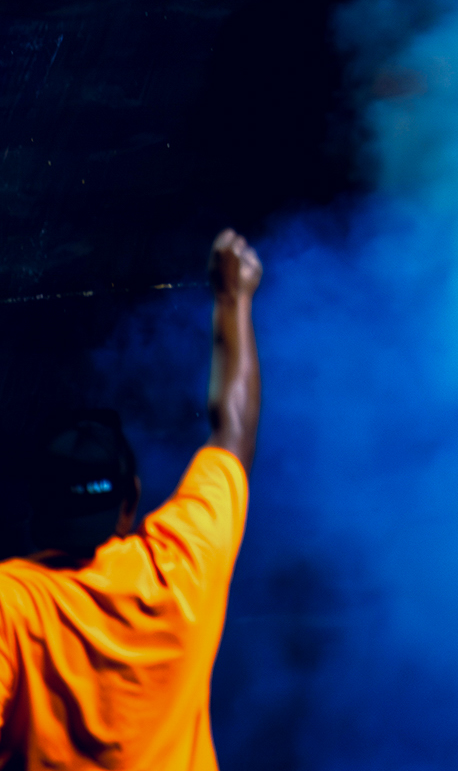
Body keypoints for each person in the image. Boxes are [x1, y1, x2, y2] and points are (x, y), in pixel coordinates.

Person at [0, 229, 263, 769]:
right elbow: (233, 430)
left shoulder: (13, 604)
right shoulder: (182, 568)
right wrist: (232, 298)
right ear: (131, 501)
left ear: (36, 509)